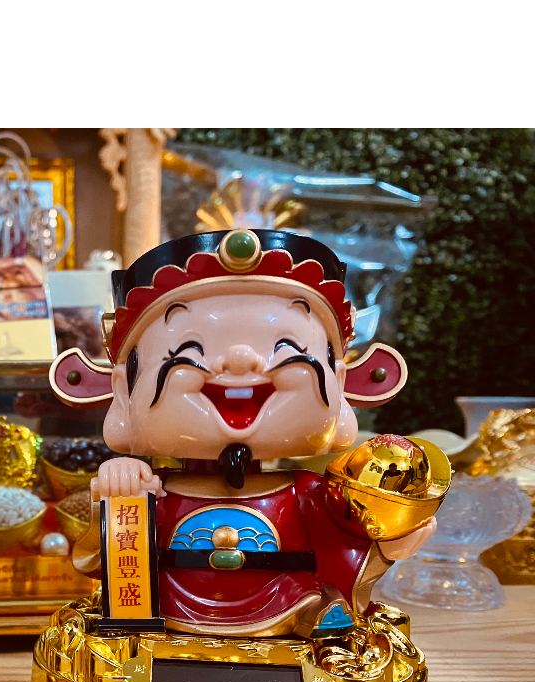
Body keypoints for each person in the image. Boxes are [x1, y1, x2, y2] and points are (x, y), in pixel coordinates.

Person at [50, 228, 436, 638]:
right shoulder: (153, 491)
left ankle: (316, 616)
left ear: (339, 384)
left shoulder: (307, 494)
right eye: (190, 348)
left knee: (320, 605)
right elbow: (97, 560)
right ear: (124, 390)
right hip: (168, 607)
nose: (239, 360)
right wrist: (118, 496)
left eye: (286, 346)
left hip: (288, 600)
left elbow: (343, 549)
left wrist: (385, 545)